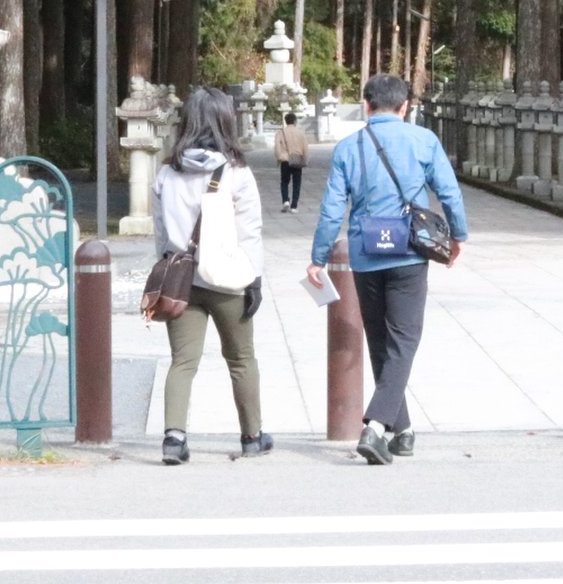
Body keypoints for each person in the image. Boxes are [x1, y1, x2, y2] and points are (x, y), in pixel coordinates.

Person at [307, 73, 468, 465]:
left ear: (365, 105)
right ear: (405, 107)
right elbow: (448, 191)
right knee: (404, 340)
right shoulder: (423, 141)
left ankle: (405, 431)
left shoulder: (347, 149)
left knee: (380, 340)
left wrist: (319, 255)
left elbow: (332, 208)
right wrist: (457, 235)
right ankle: (376, 427)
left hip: (364, 253)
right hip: (409, 253)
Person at [151, 86, 270, 464]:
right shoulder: (237, 173)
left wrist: (168, 269)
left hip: (181, 279)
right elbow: (250, 231)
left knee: (182, 361)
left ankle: (173, 437)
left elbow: (160, 230)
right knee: (241, 358)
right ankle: (252, 436)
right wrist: (254, 280)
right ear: (225, 122)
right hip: (227, 280)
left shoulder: (167, 172)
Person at [273, 111, 310, 212]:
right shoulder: (300, 133)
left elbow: (277, 147)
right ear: (295, 121)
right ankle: (294, 206)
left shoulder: (280, 133)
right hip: (297, 159)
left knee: (284, 182)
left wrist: (279, 156)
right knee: (296, 183)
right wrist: (305, 160)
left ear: (286, 121)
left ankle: (285, 200)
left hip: (285, 160)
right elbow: (305, 148)